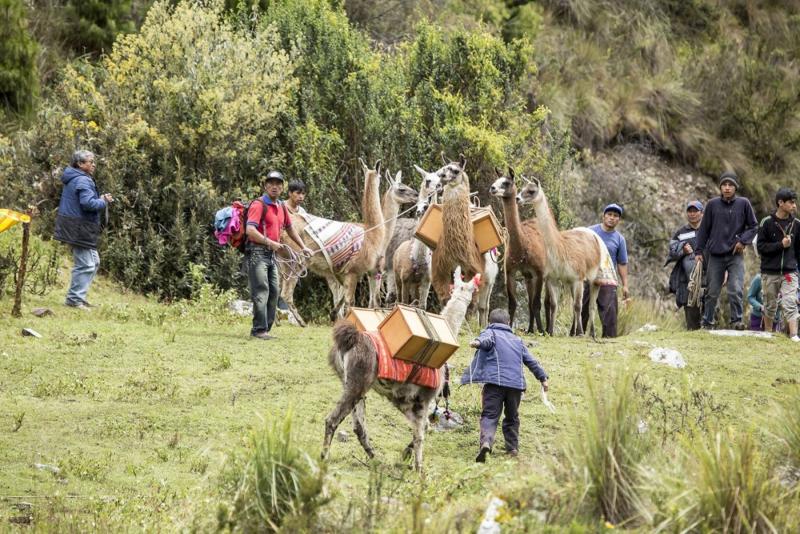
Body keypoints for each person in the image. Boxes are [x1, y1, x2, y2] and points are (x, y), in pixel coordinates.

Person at [461, 308, 549, 462]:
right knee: (512, 417)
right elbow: (531, 361)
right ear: (509, 323)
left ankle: (487, 442)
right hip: (516, 385)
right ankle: (512, 448)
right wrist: (543, 377)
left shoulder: (490, 332)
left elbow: (486, 340)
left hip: (495, 383)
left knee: (490, 415)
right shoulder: (518, 340)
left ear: (489, 322)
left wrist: (477, 342)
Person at [245, 171, 311, 340]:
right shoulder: (259, 205)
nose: (274, 187)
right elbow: (250, 230)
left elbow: (290, 229)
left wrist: (303, 247)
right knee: (262, 290)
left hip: (272, 255)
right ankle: (258, 330)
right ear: (266, 186)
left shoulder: (281, 206)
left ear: (282, 188)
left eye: (278, 184)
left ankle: (265, 328)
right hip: (258, 253)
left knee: (274, 291)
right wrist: (270, 242)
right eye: (271, 183)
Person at [694, 172, 758, 329]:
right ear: (720, 187)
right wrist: (698, 251)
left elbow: (754, 226)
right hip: (715, 255)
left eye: (730, 185)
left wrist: (743, 241)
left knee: (735, 289)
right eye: (724, 185)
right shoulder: (712, 204)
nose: (727, 188)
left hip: (735, 255)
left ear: (735, 187)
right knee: (712, 291)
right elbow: (703, 230)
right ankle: (708, 322)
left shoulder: (744, 203)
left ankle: (737, 321)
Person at [53, 150, 113, 310]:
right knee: (86, 264)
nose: (93, 164)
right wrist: (103, 201)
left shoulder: (75, 178)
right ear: (80, 164)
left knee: (94, 262)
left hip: (76, 225)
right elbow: (88, 204)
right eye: (90, 161)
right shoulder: (83, 181)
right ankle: (74, 300)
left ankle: (79, 297)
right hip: (79, 227)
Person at [755, 187, 800, 341]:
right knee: (769, 304)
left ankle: (794, 335)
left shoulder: (797, 224)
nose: (794, 206)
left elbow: (798, 250)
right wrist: (780, 245)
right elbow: (760, 248)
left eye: (794, 203)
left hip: (789, 272)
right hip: (769, 271)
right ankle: (768, 333)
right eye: (791, 202)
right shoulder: (766, 222)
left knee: (789, 302)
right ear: (780, 203)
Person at [582, 203, 629, 337]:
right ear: (603, 216)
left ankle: (609, 339)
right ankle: (576, 335)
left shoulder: (620, 239)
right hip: (587, 275)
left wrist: (625, 285)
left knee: (610, 311)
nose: (612, 218)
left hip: (607, 277)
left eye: (615, 216)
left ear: (618, 220)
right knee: (581, 308)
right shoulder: (589, 232)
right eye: (609, 214)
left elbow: (622, 263)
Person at [666, 201, 704, 330]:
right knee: (691, 313)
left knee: (710, 311)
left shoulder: (709, 229)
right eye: (690, 211)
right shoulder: (680, 233)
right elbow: (671, 253)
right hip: (687, 281)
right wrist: (683, 251)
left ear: (702, 213)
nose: (692, 214)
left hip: (707, 278)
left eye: (695, 211)